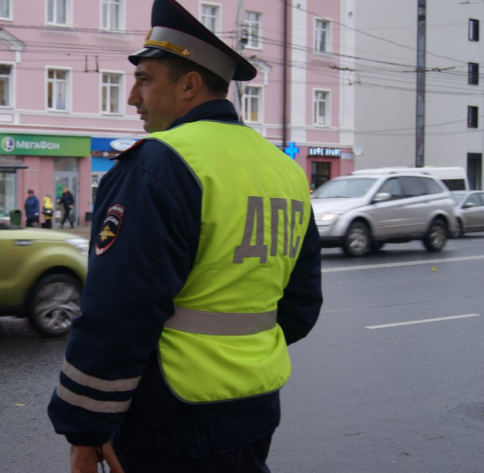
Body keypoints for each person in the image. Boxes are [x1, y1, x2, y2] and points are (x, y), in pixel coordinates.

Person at [47, 1, 323, 472]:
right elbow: (300, 306)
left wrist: (85, 427)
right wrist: (242, 359)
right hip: (257, 403)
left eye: (145, 80)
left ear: (189, 85)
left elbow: (118, 311)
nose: (132, 98)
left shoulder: (157, 164)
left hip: (171, 412)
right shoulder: (284, 169)